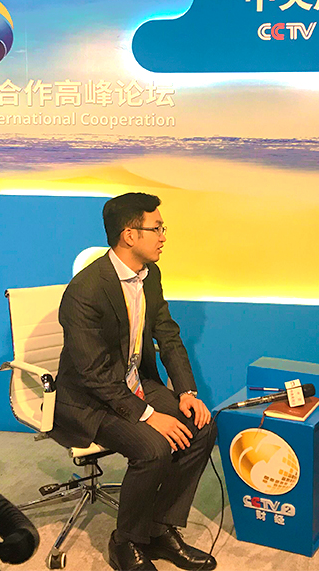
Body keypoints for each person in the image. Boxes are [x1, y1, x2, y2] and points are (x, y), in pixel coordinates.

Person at [52, 192, 217, 571]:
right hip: (89, 400)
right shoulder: (85, 291)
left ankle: (158, 529)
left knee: (202, 428)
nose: (163, 236)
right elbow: (93, 375)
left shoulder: (149, 275)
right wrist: (149, 415)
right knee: (153, 448)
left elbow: (167, 334)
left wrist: (186, 392)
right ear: (129, 235)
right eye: (156, 228)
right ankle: (125, 542)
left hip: (133, 383)